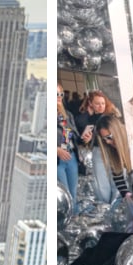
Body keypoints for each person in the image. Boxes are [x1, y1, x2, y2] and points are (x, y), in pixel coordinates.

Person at [78, 90, 123, 203]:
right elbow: (79, 124)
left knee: (116, 179)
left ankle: (115, 205)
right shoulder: (88, 118)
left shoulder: (110, 116)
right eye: (97, 103)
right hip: (98, 151)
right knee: (101, 182)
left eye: (103, 103)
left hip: (112, 150)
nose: (101, 106)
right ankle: (107, 206)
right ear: (91, 104)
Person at [94, 113, 133, 201]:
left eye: (109, 137)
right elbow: (118, 178)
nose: (107, 142)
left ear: (117, 132)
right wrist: (127, 195)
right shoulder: (112, 150)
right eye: (104, 139)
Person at [56, 84, 80, 213]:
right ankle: (67, 219)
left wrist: (83, 137)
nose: (59, 97)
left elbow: (71, 133)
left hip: (70, 156)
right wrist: (56, 150)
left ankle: (74, 220)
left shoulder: (67, 115)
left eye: (61, 94)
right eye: (56, 94)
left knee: (73, 192)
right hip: (58, 160)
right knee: (64, 194)